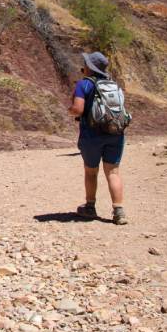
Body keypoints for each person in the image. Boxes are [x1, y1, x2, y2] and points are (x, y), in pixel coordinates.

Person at [69, 52, 128, 225]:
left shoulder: (84, 84)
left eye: (85, 64)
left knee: (91, 171)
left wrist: (70, 110)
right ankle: (119, 211)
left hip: (92, 135)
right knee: (113, 172)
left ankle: (90, 207)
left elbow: (78, 109)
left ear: (89, 67)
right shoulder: (114, 85)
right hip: (115, 133)